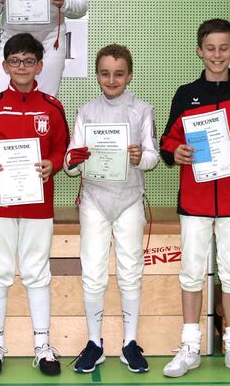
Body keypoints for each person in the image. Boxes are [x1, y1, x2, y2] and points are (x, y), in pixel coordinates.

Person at [160, 19, 230, 380]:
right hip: (196, 200)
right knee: (191, 271)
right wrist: (175, 153)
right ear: (200, 51)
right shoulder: (185, 94)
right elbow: (167, 141)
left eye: (224, 48)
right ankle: (190, 345)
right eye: (210, 48)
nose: (217, 55)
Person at [0, 33, 70, 376]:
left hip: (37, 206)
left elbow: (62, 148)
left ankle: (42, 346)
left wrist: (52, 164)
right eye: (15, 61)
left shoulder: (52, 107)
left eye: (28, 61)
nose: (22, 67)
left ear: (39, 66)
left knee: (36, 273)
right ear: (5, 66)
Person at [64, 44, 159, 374]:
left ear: (129, 75)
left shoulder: (142, 110)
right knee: (93, 274)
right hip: (94, 201)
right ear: (97, 75)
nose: (112, 79)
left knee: (131, 271)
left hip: (129, 200)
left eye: (119, 74)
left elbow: (152, 156)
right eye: (105, 73)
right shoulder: (86, 112)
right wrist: (73, 160)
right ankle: (95, 343)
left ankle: (130, 343)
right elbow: (70, 163)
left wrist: (139, 158)